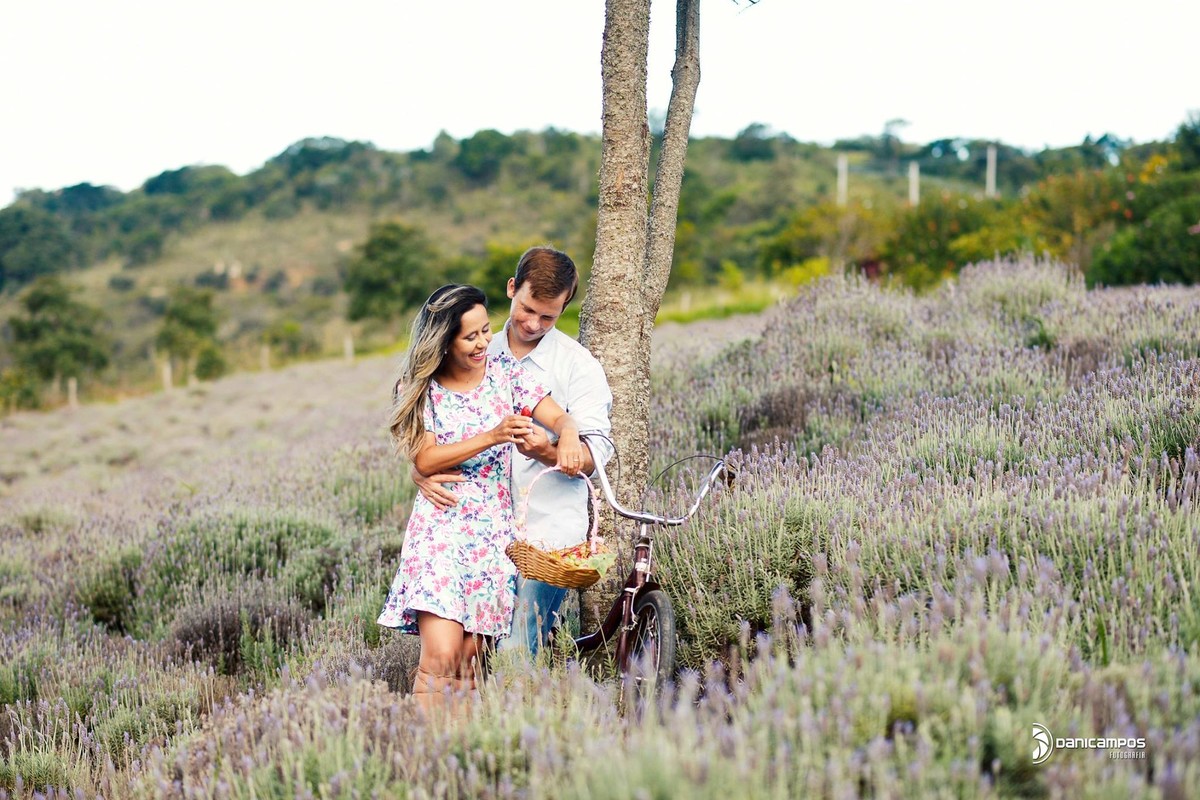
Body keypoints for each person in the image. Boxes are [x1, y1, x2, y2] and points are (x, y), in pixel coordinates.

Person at [377, 283, 585, 716]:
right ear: (444, 341)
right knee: (441, 656)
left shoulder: (505, 373)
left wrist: (566, 432)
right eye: (470, 336)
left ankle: (462, 757)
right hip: (441, 527)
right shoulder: (422, 388)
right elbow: (426, 457)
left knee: (471, 660)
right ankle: (426, 752)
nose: (483, 342)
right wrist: (491, 436)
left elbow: (557, 415)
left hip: (492, 532)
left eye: (485, 331)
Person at [414, 247, 613, 656]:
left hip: (547, 535)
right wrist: (421, 470)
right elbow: (433, 419)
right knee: (473, 656)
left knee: (516, 652)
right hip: (479, 534)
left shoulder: (578, 366)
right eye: (527, 309)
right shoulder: (475, 346)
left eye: (548, 317)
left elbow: (596, 459)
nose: (533, 323)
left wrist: (550, 449)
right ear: (511, 288)